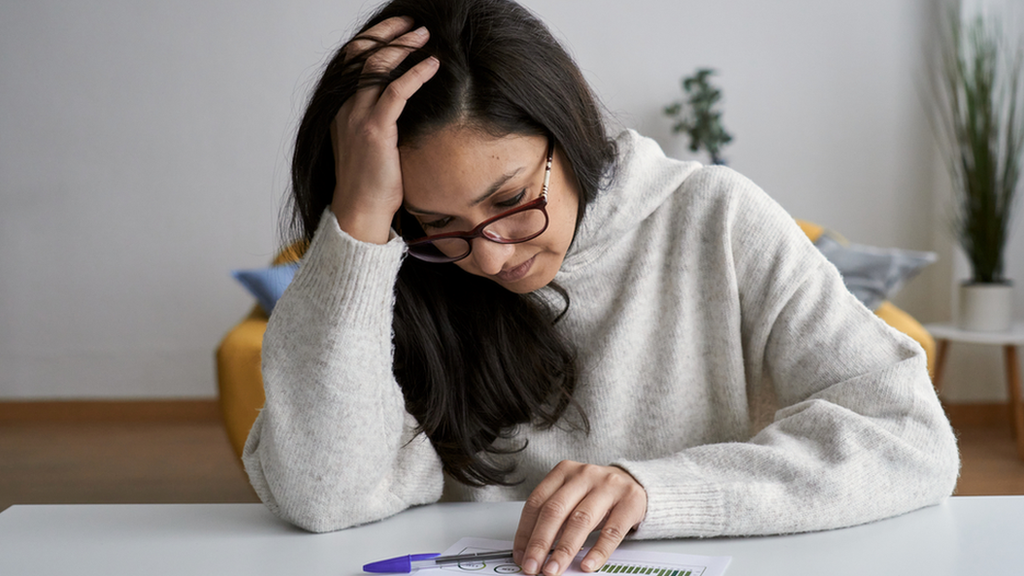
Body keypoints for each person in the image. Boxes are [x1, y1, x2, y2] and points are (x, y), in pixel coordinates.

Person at [242, 0, 960, 574]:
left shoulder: (716, 218)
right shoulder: (399, 264)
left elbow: (909, 438)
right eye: (439, 224)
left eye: (511, 199)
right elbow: (325, 496)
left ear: (567, 129)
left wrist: (658, 491)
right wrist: (362, 224)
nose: (490, 259)